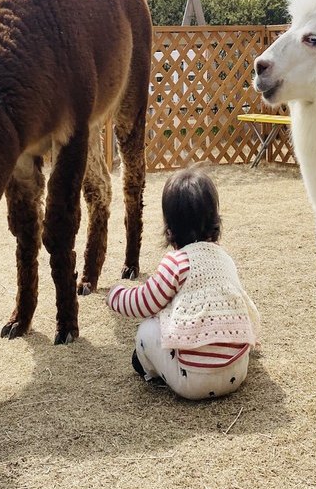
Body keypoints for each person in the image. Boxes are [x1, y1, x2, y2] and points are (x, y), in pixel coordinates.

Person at [106, 166, 260, 400]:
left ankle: (147, 366)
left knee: (148, 328)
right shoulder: (224, 259)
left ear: (169, 227)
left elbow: (144, 303)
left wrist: (115, 295)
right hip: (237, 373)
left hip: (193, 381)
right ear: (215, 220)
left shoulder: (176, 263)